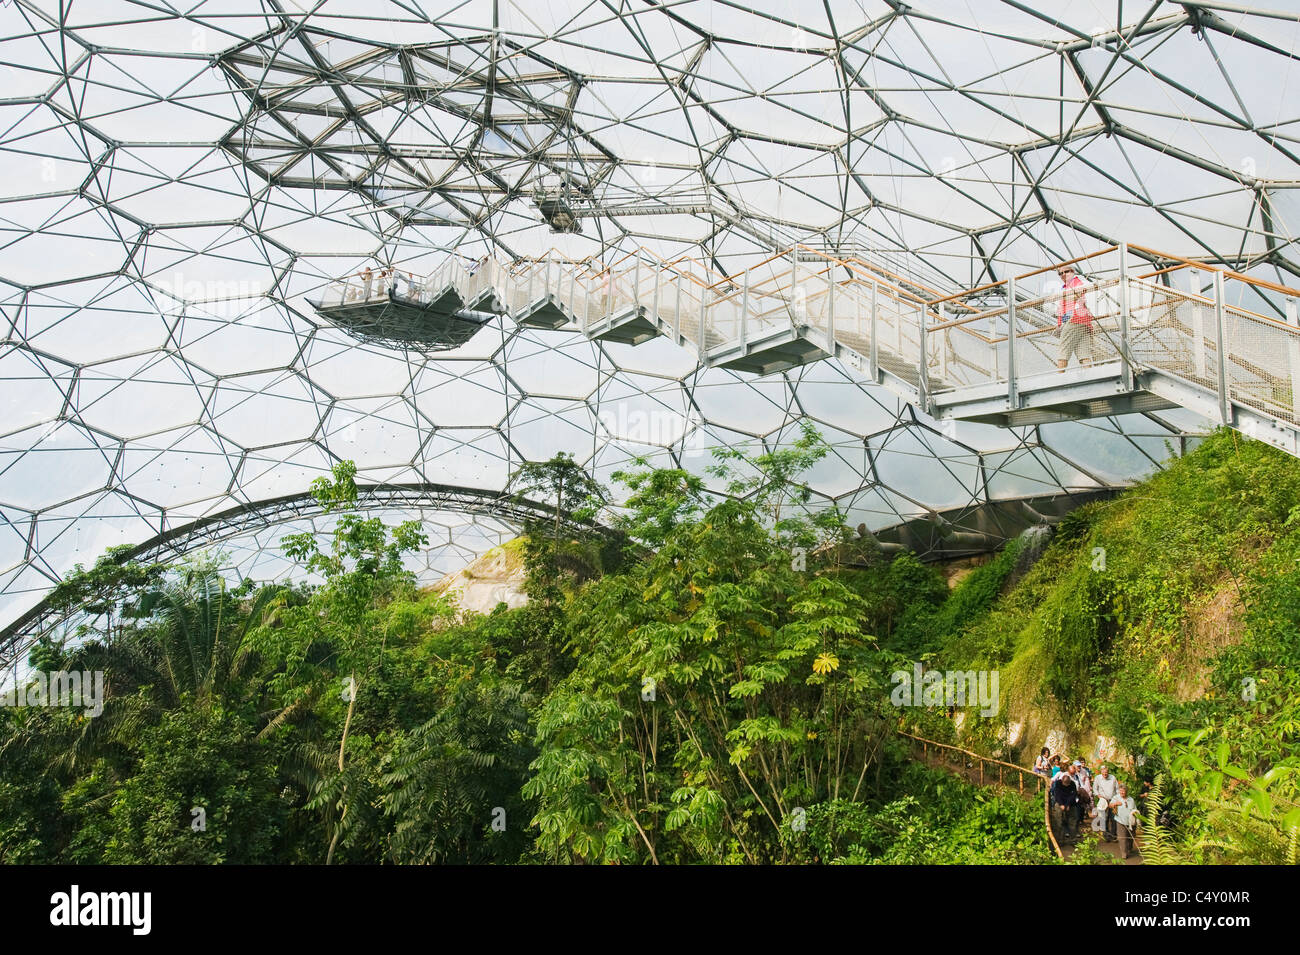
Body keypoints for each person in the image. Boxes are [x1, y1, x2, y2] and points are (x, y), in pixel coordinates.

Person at [1055, 263, 1094, 370]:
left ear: (1073, 272)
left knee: (1063, 350)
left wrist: (1060, 324)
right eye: (1060, 273)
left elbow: (1080, 293)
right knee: (1083, 352)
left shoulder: (1076, 282)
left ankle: (1060, 377)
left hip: (1074, 318)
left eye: (1066, 271)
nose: (1063, 274)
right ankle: (1089, 374)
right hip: (1083, 321)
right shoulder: (1065, 287)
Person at [1052, 765, 1079, 839]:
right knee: (1058, 822)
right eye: (1065, 784)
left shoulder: (1072, 784)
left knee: (1072, 822)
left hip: (1071, 804)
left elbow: (1073, 795)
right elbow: (1057, 794)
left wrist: (1067, 805)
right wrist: (1061, 804)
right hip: (1060, 802)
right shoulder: (1058, 784)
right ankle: (1060, 839)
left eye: (1068, 784)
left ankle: (1073, 839)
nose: (1067, 786)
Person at [1093, 764, 1119, 842]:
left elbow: (1117, 789)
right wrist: (1099, 796)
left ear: (1108, 772)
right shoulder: (1098, 778)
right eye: (1103, 773)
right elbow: (1095, 788)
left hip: (1112, 800)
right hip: (1103, 801)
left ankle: (1114, 835)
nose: (1105, 774)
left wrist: (1117, 799)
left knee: (1113, 818)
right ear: (1101, 772)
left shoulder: (1113, 778)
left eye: (1106, 773)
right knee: (1104, 818)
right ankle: (1106, 835)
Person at [1113, 784, 1139, 859]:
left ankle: (1129, 849)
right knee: (1122, 837)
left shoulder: (1131, 799)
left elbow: (1135, 809)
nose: (1122, 792)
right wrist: (1115, 804)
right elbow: (1110, 805)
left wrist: (1135, 813)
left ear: (1126, 791)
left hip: (1131, 822)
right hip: (1120, 820)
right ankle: (1124, 853)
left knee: (1131, 837)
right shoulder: (1116, 797)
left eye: (1123, 791)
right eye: (1121, 791)